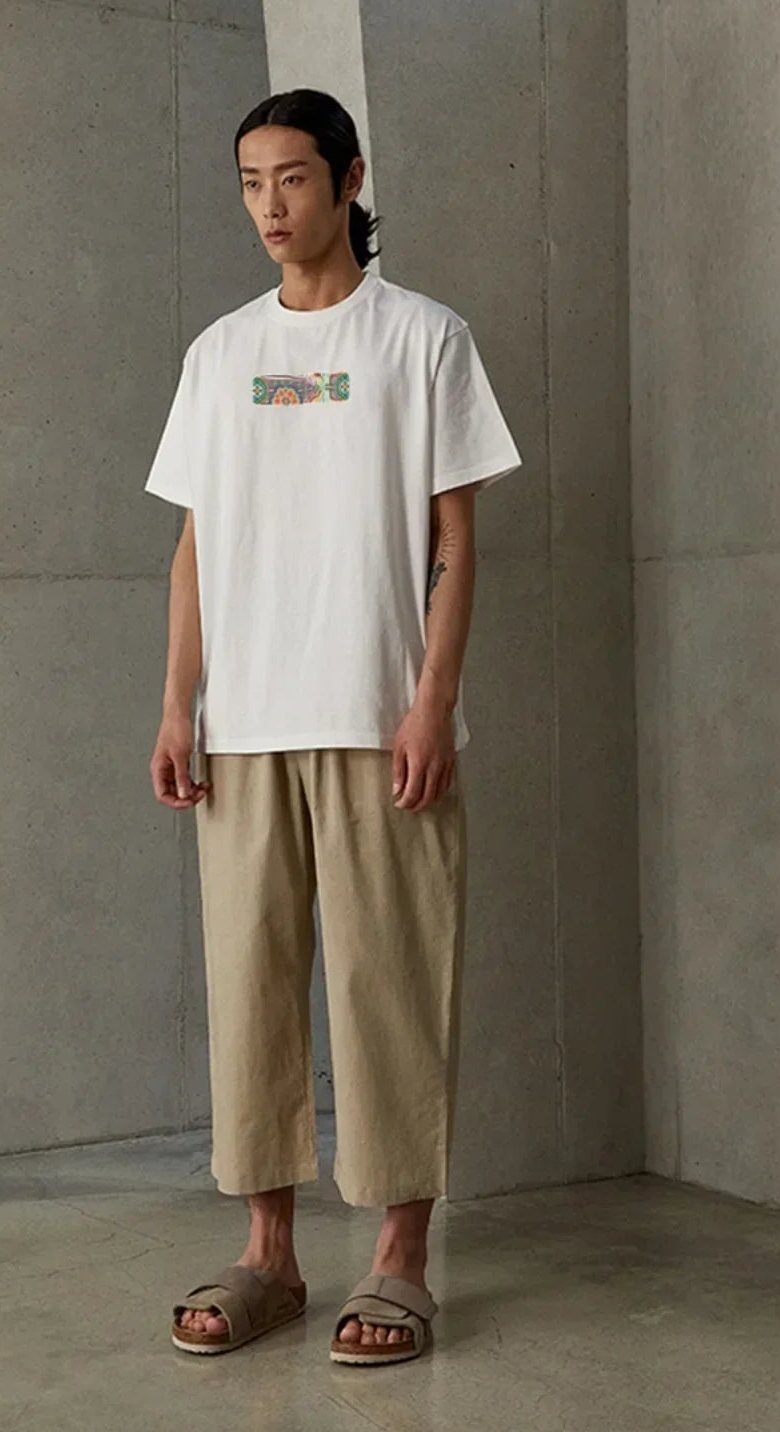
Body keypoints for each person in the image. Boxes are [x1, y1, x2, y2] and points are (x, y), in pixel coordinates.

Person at [145, 87, 522, 1366]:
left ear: (351, 179)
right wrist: (177, 700)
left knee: (388, 986)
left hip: (378, 718)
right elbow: (194, 547)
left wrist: (431, 700)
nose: (270, 206)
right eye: (250, 182)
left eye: (293, 179)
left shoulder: (425, 341)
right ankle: (268, 1257)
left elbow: (457, 543)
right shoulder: (219, 353)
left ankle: (401, 1263)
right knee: (249, 990)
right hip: (244, 724)